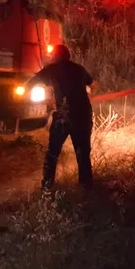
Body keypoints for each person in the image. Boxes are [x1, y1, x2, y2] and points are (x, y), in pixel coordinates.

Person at [32, 44, 94, 190]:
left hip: (64, 117)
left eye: (53, 55)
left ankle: (47, 187)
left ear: (57, 56)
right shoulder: (79, 68)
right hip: (83, 115)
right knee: (83, 154)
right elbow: (93, 83)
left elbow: (32, 82)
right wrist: (89, 93)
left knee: (52, 153)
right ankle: (86, 189)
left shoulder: (52, 69)